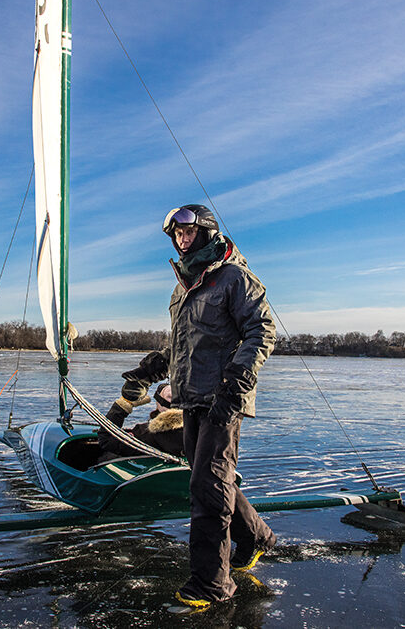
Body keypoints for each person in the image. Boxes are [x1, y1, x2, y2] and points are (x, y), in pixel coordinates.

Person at [121, 203, 278, 609]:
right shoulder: (183, 287)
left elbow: (262, 331)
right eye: (176, 235)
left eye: (188, 233)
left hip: (222, 398)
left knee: (206, 485)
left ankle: (211, 584)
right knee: (210, 477)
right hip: (190, 397)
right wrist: (157, 363)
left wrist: (236, 384)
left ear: (206, 232)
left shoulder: (233, 277)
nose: (181, 239)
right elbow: (182, 345)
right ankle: (256, 536)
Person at [95, 383, 184, 463]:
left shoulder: (148, 434)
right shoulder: (194, 430)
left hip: (149, 475)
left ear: (159, 404)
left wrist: (122, 406)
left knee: (108, 457)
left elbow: (106, 440)